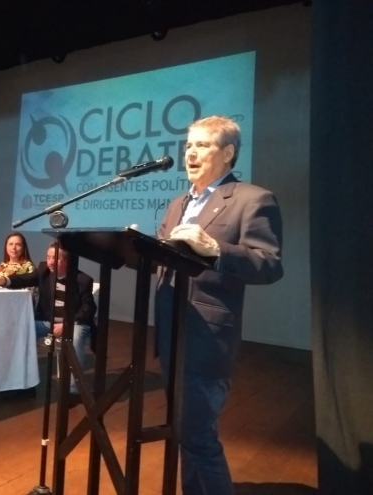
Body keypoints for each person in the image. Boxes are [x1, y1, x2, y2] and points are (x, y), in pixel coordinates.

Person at [154, 115, 283, 495]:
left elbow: (269, 264)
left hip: (207, 337)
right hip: (170, 332)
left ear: (227, 153)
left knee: (198, 437)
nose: (190, 153)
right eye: (188, 146)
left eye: (202, 145)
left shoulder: (252, 199)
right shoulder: (177, 204)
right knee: (185, 433)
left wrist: (216, 249)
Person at [0, 242, 96, 401]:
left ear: (67, 260)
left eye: (55, 258)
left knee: (75, 338)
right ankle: (23, 384)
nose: (50, 261)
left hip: (74, 323)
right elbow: (24, 279)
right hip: (47, 322)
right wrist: (2, 280)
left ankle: (72, 390)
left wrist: (66, 324)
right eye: (48, 257)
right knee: (20, 332)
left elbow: (89, 309)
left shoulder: (83, 280)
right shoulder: (44, 270)